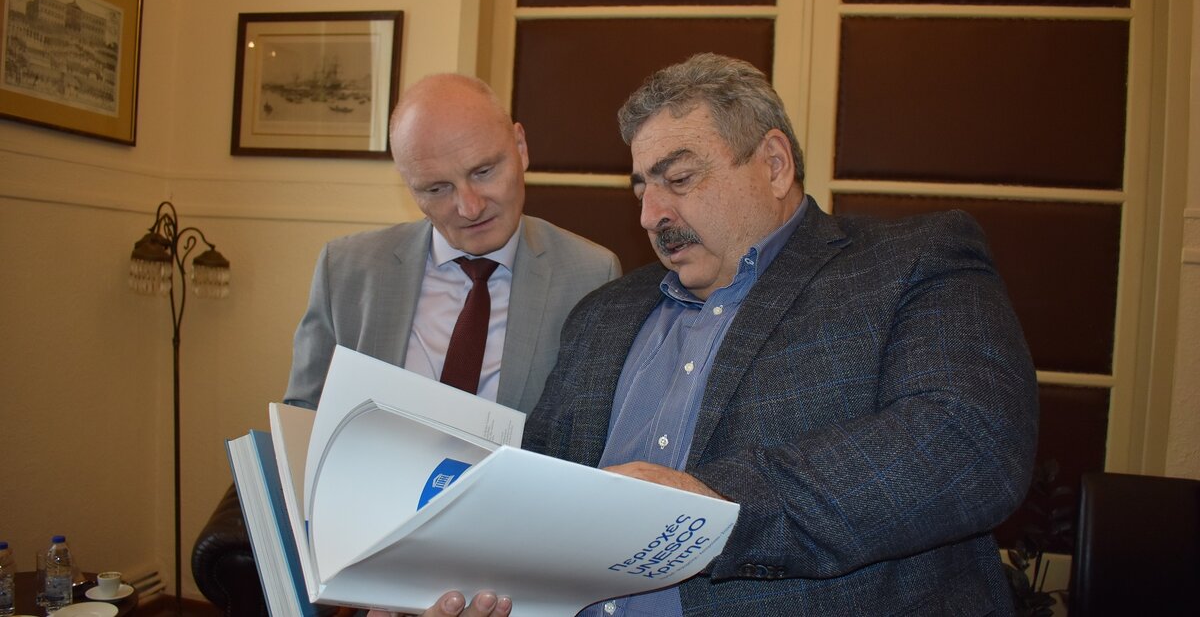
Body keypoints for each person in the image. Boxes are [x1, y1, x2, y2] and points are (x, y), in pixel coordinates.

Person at [515, 53, 1038, 615]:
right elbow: (535, 488)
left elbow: (967, 443)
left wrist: (711, 509)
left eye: (680, 178)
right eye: (642, 189)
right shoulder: (603, 312)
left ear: (774, 164)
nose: (650, 215)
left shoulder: (910, 263)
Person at [284, 73, 621, 413]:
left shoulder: (591, 275)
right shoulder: (344, 269)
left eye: (483, 172)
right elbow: (303, 415)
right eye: (437, 189)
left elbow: (591, 423)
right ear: (409, 186)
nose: (470, 208)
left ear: (521, 148)